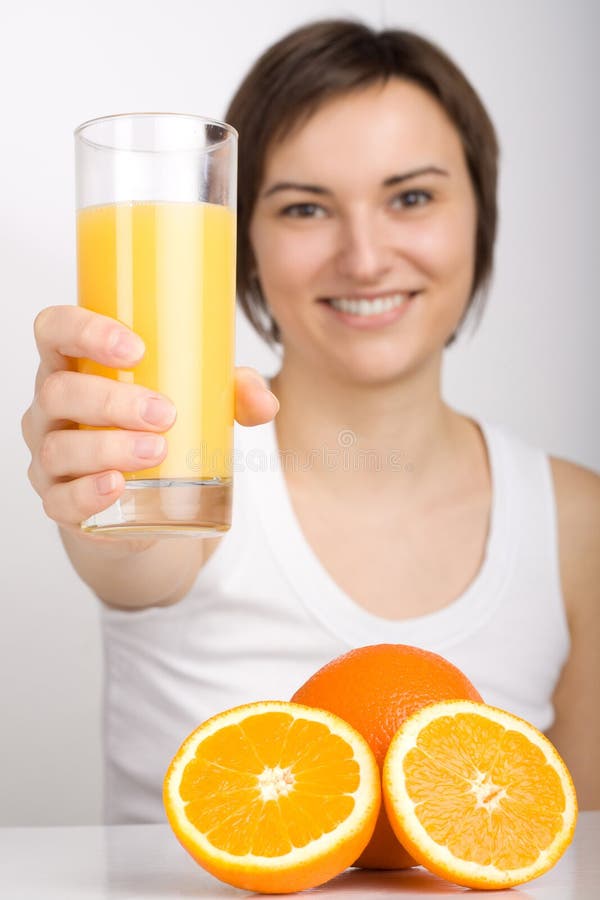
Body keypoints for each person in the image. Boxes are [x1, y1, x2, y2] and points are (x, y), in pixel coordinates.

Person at [22, 20, 599, 826]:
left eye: (411, 197)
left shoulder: (580, 526)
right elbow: (134, 552)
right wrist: (101, 480)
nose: (364, 258)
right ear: (241, 244)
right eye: (304, 209)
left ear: (480, 216)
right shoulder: (191, 475)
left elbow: (574, 848)